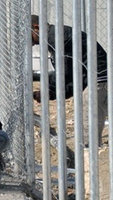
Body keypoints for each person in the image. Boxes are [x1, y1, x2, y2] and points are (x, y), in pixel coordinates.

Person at [30, 15, 108, 144]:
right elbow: (72, 75)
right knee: (87, 125)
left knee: (89, 129)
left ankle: (90, 154)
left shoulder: (57, 37)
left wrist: (49, 90)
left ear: (36, 27)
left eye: (31, 38)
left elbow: (63, 72)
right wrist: (51, 93)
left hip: (99, 81)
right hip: (94, 80)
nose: (32, 44)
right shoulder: (55, 37)